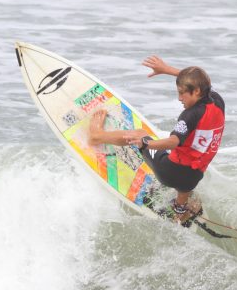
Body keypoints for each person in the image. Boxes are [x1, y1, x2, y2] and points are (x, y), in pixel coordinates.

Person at [88, 55, 225, 226]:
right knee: (190, 165)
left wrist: (146, 143)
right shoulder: (218, 101)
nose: (179, 98)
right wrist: (167, 70)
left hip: (169, 172)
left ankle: (97, 135)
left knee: (139, 133)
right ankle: (180, 207)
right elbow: (202, 82)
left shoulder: (189, 115)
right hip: (193, 178)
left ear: (196, 91)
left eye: (182, 93)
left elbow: (174, 141)